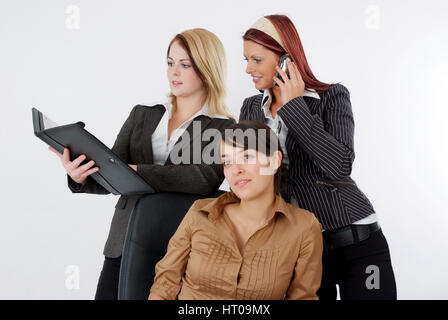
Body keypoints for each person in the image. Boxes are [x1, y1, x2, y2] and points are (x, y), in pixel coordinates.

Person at [49, 28, 235, 300]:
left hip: (180, 244)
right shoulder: (143, 114)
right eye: (170, 63)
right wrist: (80, 175)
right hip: (124, 239)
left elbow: (201, 179)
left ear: (207, 68)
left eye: (185, 65)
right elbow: (114, 171)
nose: (174, 72)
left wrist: (135, 171)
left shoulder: (222, 126)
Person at [238, 14, 397, 300]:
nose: (249, 68)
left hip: (357, 244)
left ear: (286, 59)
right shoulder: (251, 109)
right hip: (300, 255)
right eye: (246, 59)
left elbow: (339, 165)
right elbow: (247, 178)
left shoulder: (331, 97)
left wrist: (294, 105)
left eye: (257, 60)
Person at [148, 120, 323, 300]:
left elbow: (303, 297)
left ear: (274, 161)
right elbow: (164, 286)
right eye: (227, 162)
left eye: (246, 157)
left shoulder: (304, 228)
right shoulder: (199, 213)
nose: (235, 170)